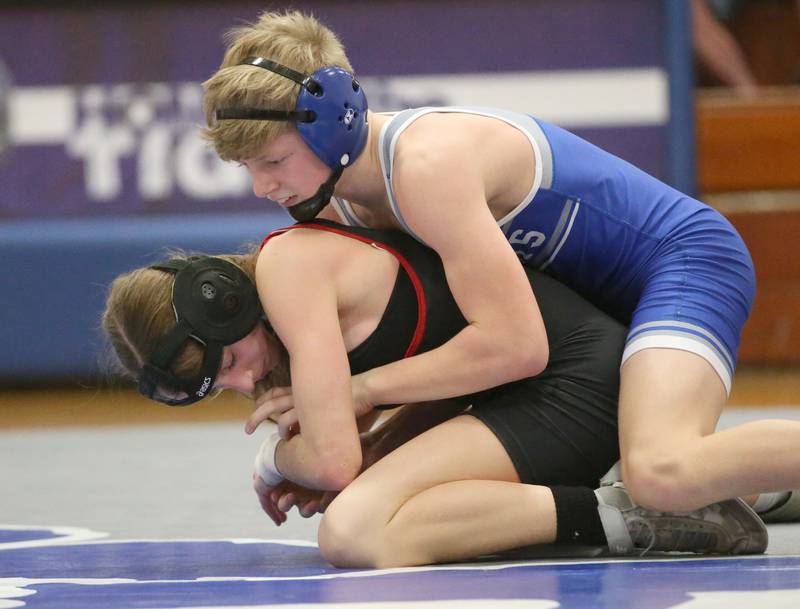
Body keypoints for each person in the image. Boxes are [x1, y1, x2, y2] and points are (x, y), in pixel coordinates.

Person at [200, 9, 800, 521]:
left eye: (273, 160)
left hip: (683, 261)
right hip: (595, 311)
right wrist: (380, 443)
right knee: (638, 467)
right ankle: (768, 487)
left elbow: (515, 348)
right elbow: (463, 349)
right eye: (248, 169)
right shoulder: (343, 210)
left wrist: (362, 389)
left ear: (336, 120)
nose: (261, 187)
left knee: (660, 470)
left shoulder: (423, 167)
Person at [102, 220, 767, 567]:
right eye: (221, 385)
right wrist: (366, 447)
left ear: (223, 302)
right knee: (373, 507)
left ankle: (638, 515)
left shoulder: (292, 270)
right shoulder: (283, 299)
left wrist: (274, 461)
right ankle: (746, 485)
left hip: (570, 380)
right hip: (520, 389)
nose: (244, 384)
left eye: (233, 362)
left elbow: (334, 462)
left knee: (358, 530)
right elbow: (373, 435)